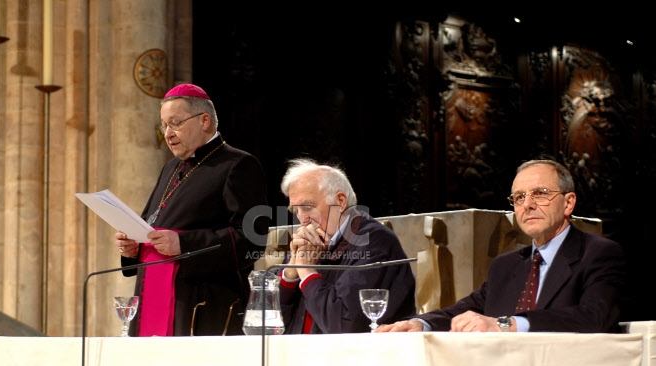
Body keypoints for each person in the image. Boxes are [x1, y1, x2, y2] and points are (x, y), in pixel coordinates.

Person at [376, 159, 626, 333]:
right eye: (519, 197)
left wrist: (506, 324)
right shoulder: (505, 265)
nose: (527, 204)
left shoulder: (598, 254)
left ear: (568, 203)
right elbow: (464, 311)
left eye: (539, 193)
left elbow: (595, 317)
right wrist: (421, 324)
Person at [115, 83, 270, 336]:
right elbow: (149, 223)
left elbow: (252, 238)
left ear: (205, 121)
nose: (168, 133)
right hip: (151, 296)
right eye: (164, 125)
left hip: (200, 306)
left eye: (175, 123)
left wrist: (184, 245)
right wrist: (132, 247)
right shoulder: (170, 169)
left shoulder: (239, 165)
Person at [278, 158, 417, 334]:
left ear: (340, 201)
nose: (302, 219)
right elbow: (264, 322)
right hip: (297, 355)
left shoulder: (374, 242)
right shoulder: (307, 242)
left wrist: (306, 272)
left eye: (307, 207)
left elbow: (343, 324)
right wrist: (290, 273)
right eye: (296, 211)